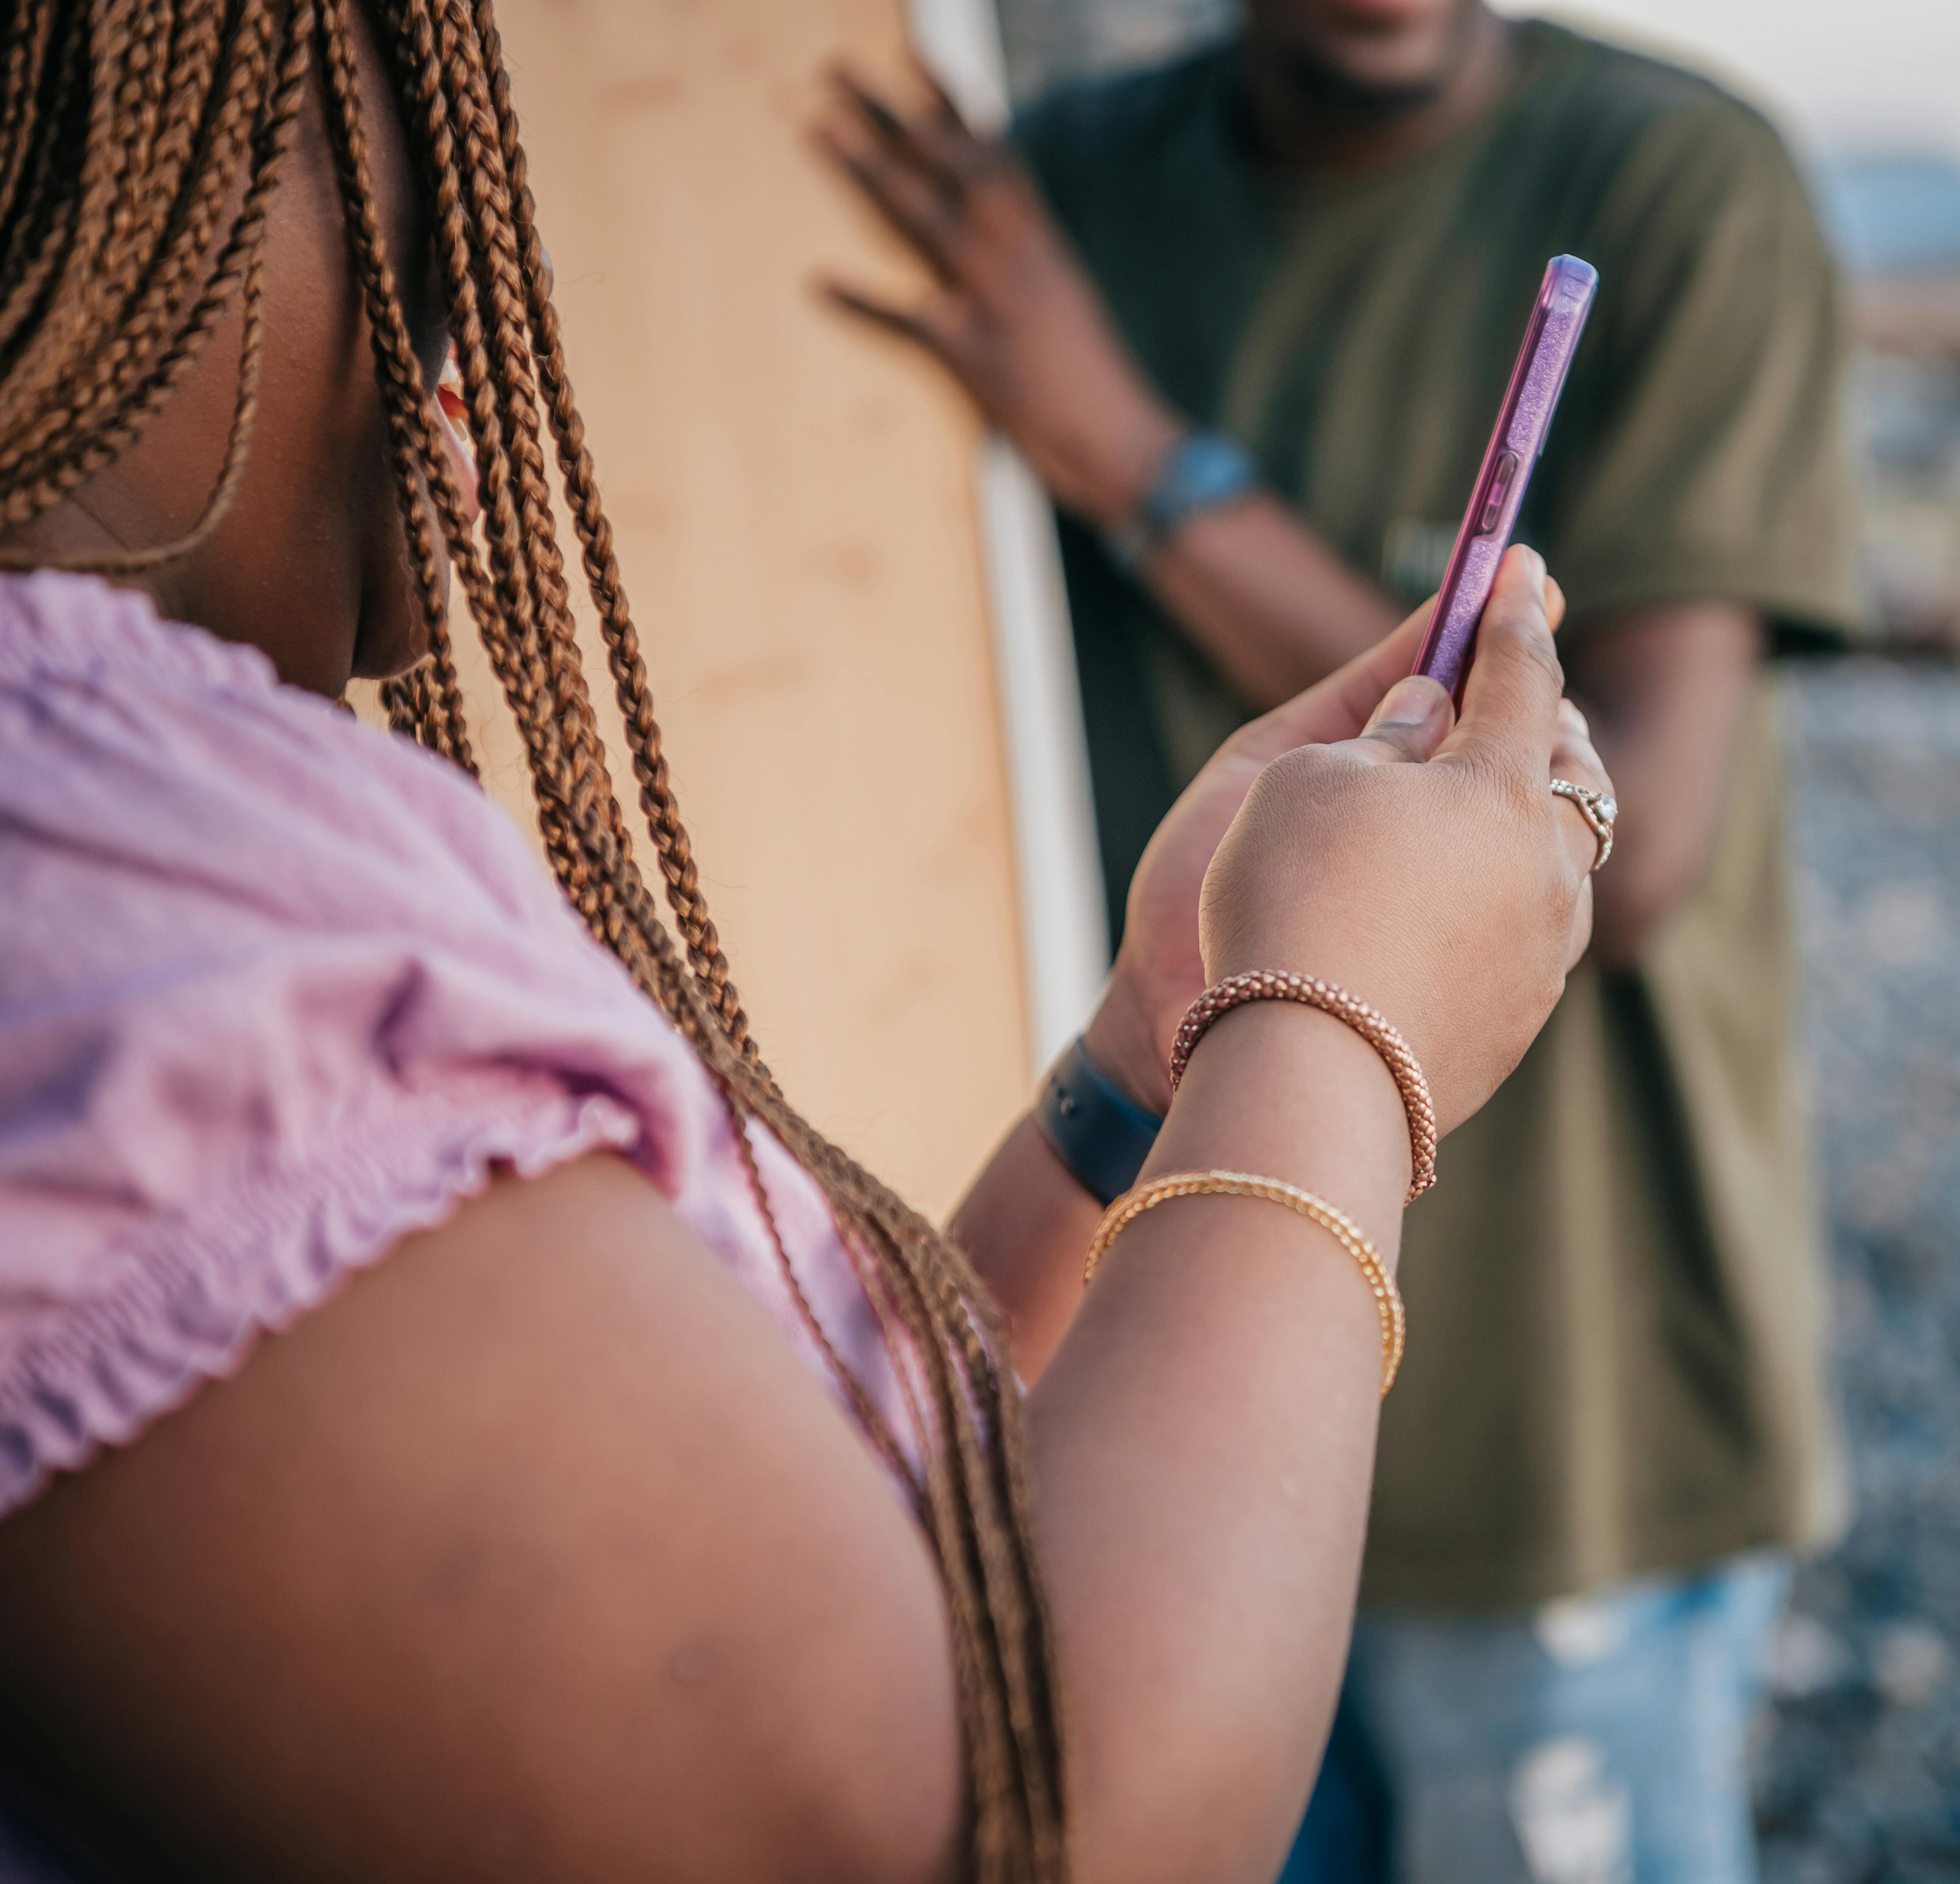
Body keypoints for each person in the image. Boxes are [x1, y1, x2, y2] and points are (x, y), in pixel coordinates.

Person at [0, 2, 1614, 1878]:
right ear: (152, 211)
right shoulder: (116, 860)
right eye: (431, 314)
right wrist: (1334, 1025)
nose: (460, 444)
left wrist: (1149, 1049)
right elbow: (1020, 1828)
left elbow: (837, 1522)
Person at [814, 0, 1861, 1874]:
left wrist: (1129, 455)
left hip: (1555, 1426)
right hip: (1151, 1404)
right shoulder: (1055, 202)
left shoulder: (1675, 177)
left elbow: (1621, 866)